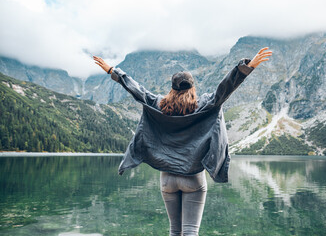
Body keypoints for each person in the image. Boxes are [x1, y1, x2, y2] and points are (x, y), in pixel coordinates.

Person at [93, 47, 272, 235]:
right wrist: (246, 67)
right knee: (190, 231)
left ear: (172, 88)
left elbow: (138, 91)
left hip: (167, 179)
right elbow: (224, 89)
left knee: (174, 230)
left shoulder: (160, 104)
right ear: (192, 87)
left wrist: (113, 71)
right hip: (193, 177)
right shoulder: (203, 104)